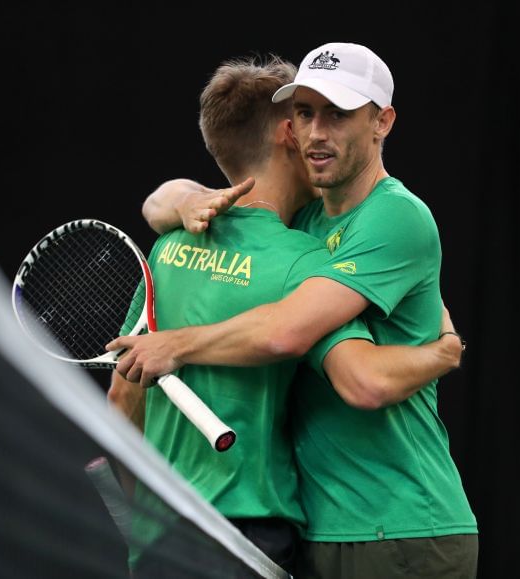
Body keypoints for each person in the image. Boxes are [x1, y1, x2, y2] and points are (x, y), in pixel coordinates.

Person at [107, 53, 465, 578]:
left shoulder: (173, 248)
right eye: (305, 113)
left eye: (335, 113)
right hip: (280, 532)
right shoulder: (306, 247)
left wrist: (139, 521)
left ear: (382, 121)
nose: (316, 132)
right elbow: (354, 374)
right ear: (287, 132)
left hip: (398, 522)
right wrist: (443, 351)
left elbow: (122, 397)